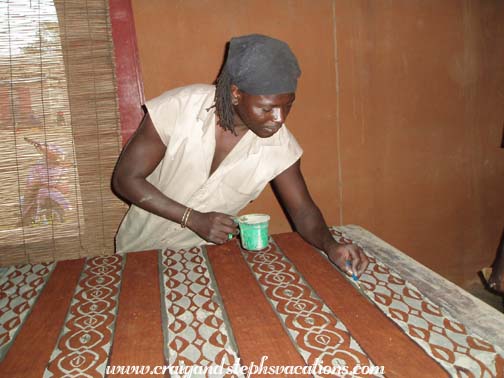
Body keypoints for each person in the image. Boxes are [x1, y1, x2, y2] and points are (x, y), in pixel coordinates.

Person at [112, 34, 369, 278]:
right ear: (236, 93)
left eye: (287, 105)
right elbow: (125, 179)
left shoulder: (280, 147)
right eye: (267, 108)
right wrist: (192, 218)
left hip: (199, 261)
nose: (279, 119)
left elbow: (303, 211)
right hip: (136, 253)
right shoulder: (180, 108)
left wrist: (331, 245)